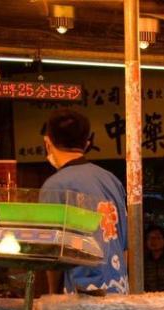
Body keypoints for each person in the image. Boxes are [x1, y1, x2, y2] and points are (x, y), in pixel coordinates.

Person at [40, 109, 128, 294]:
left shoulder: (55, 186)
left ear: (48, 142)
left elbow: (51, 252)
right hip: (119, 291)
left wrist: (51, 295)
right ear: (87, 143)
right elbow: (125, 245)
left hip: (80, 297)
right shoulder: (111, 180)